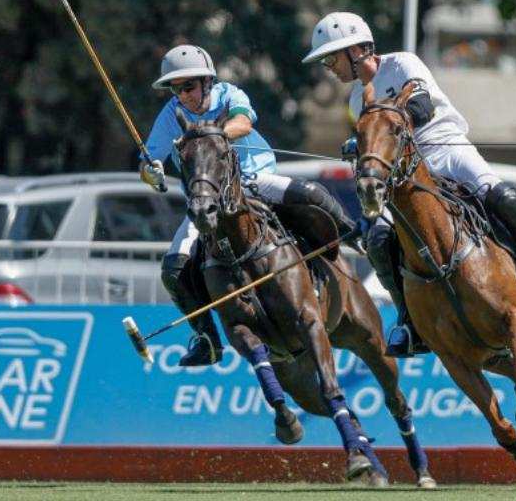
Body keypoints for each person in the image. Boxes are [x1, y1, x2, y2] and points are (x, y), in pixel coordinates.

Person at [301, 13, 516, 357]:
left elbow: (421, 106)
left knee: (499, 194)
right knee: (377, 238)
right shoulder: (357, 100)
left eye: (331, 57)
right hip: (406, 170)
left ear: (357, 50)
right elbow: (374, 137)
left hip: (446, 149)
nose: (329, 66)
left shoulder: (403, 63)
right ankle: (408, 319)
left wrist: (391, 125)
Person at [140, 44, 357, 366]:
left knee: (314, 195)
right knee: (173, 268)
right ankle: (206, 339)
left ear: (206, 82)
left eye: (188, 86)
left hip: (254, 179)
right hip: (208, 200)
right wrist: (152, 173)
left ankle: (356, 240)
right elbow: (147, 162)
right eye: (175, 88)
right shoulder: (171, 114)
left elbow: (243, 123)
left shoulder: (229, 94)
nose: (182, 95)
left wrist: (210, 136)